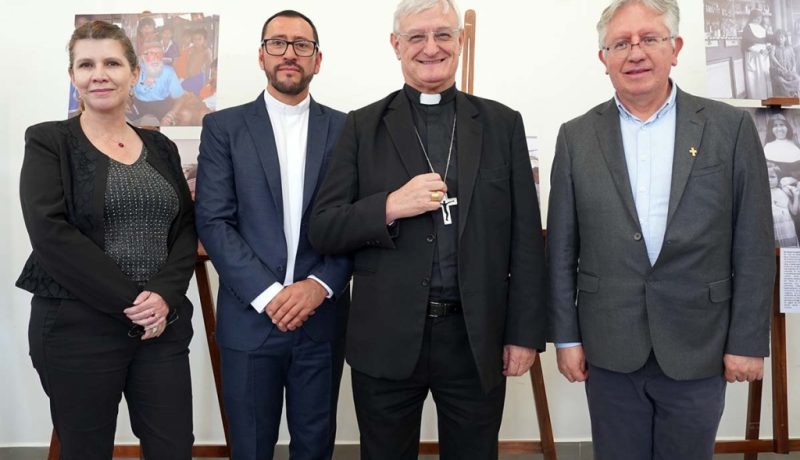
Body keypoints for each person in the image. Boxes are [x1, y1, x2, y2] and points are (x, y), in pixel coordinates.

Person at [309, 0, 546, 458]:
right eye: (416, 36)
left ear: (460, 42)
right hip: (386, 337)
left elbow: (525, 241)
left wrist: (524, 333)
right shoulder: (361, 126)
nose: (431, 47)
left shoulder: (501, 124)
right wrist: (391, 206)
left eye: (443, 34)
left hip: (476, 337)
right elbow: (324, 228)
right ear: (396, 45)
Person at [547, 1, 775, 459]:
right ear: (603, 59)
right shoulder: (575, 137)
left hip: (699, 343)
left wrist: (747, 342)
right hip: (609, 344)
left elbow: (753, 242)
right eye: (620, 43)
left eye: (649, 39)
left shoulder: (729, 129)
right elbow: (561, 249)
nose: (635, 53)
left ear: (675, 47)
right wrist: (566, 338)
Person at [17, 20, 196, 460]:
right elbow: (50, 234)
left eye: (112, 62)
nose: (100, 73)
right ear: (73, 76)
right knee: (86, 450)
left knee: (174, 448)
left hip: (161, 327)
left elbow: (186, 227)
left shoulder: (161, 147)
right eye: (87, 64)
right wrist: (136, 301)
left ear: (134, 74)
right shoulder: (48, 141)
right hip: (77, 327)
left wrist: (164, 297)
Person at [194, 10, 350, 460]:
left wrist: (317, 286)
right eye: (278, 43)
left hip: (320, 318)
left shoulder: (348, 130)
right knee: (250, 446)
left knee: (315, 445)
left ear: (317, 60)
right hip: (249, 318)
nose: (289, 54)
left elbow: (354, 223)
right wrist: (267, 295)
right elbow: (214, 222)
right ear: (262, 55)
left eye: (302, 45)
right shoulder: (223, 128)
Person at [132, 39, 184, 122]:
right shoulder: (135, 71)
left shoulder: (169, 72)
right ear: (144, 57)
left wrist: (170, 115)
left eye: (159, 54)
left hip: (162, 108)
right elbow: (125, 92)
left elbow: (180, 98)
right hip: (139, 108)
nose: (156, 58)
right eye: (151, 54)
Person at [742, 9, 772, 99]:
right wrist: (759, 50)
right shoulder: (747, 28)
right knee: (755, 78)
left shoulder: (762, 28)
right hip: (754, 56)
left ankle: (767, 97)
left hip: (764, 56)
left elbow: (767, 40)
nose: (759, 19)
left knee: (764, 75)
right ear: (753, 17)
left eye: (760, 17)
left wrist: (768, 47)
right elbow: (746, 44)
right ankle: (757, 98)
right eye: (757, 17)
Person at [769, 163, 800, 247]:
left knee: (788, 248)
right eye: (767, 177)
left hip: (787, 226)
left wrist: (796, 196)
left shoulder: (783, 191)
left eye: (772, 177)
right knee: (775, 250)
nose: (769, 180)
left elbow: (794, 211)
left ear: (778, 178)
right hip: (773, 226)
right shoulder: (763, 192)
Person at [763, 112, 800, 179]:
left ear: (787, 127)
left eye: (782, 125)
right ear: (771, 129)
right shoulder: (767, 148)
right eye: (775, 126)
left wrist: (794, 180)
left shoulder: (796, 146)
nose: (779, 129)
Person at [770, 29, 800, 97]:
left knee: (798, 79)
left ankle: (793, 93)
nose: (780, 39)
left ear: (785, 38)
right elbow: (772, 57)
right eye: (778, 37)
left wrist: (793, 68)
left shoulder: (789, 48)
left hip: (789, 70)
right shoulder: (774, 47)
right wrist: (780, 66)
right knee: (781, 81)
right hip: (779, 71)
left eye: (782, 37)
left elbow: (793, 60)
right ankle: (788, 95)